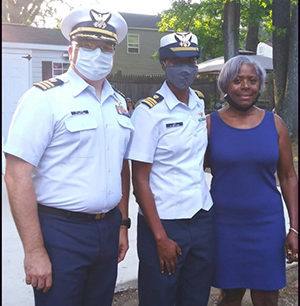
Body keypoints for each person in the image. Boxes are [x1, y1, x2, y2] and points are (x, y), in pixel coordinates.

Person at [3, 7, 134, 306]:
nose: (97, 53)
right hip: (61, 233)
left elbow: (120, 166)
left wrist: (122, 224)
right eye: (87, 46)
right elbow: (16, 174)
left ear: (113, 53)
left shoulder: (119, 103)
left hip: (107, 229)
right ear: (70, 50)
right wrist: (34, 251)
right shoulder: (45, 98)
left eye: (105, 47)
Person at [125, 32, 214, 306]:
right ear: (164, 64)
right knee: (159, 298)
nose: (186, 68)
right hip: (164, 222)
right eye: (177, 61)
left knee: (196, 297)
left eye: (191, 60)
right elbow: (140, 180)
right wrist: (160, 237)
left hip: (201, 217)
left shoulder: (198, 102)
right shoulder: (149, 113)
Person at [205, 55, 298, 306]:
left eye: (252, 80)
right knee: (229, 295)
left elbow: (289, 177)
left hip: (266, 224)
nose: (245, 86)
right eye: (237, 80)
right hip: (224, 225)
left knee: (267, 295)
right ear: (225, 85)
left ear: (260, 85)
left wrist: (295, 228)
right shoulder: (209, 125)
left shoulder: (275, 124)